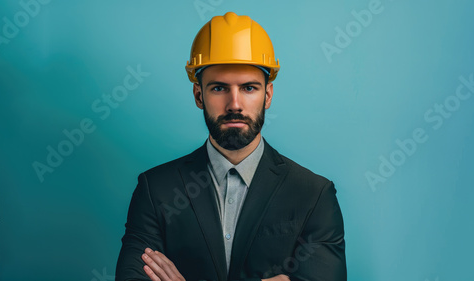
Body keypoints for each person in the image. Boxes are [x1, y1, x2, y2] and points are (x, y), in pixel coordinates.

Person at [116, 11, 346, 281]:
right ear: (198, 95)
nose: (234, 104)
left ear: (268, 95)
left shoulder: (313, 194)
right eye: (218, 88)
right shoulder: (155, 190)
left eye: (249, 88)